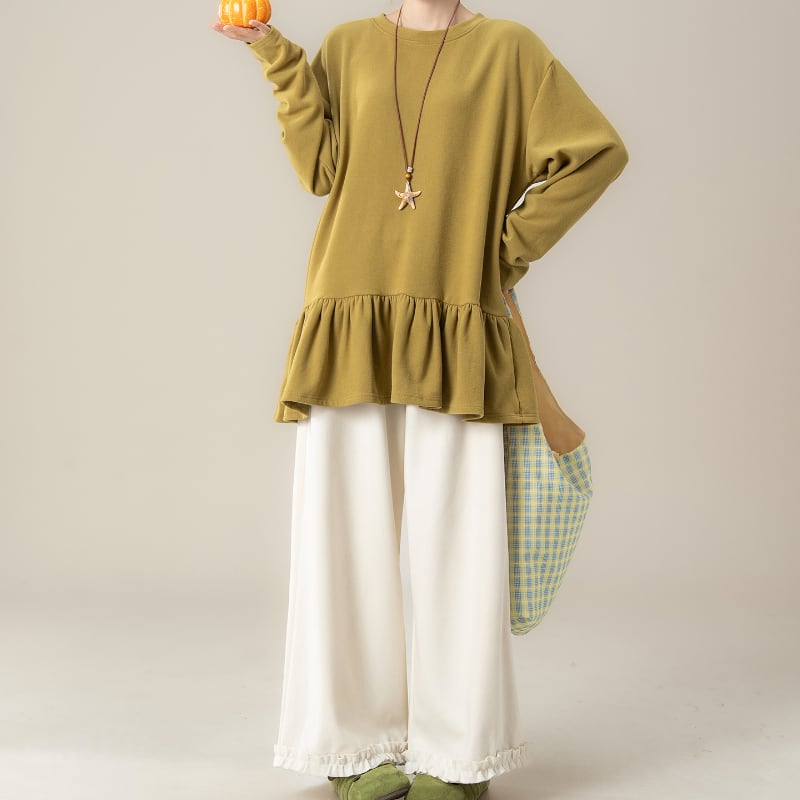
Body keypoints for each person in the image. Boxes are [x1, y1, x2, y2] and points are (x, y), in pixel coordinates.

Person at [210, 2, 629, 798]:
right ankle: (352, 750)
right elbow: (319, 170)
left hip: (456, 317)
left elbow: (595, 152)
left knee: (460, 544)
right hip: (350, 312)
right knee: (342, 540)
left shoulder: (510, 50)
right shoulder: (347, 46)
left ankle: (458, 755)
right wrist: (273, 55)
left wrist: (503, 248)